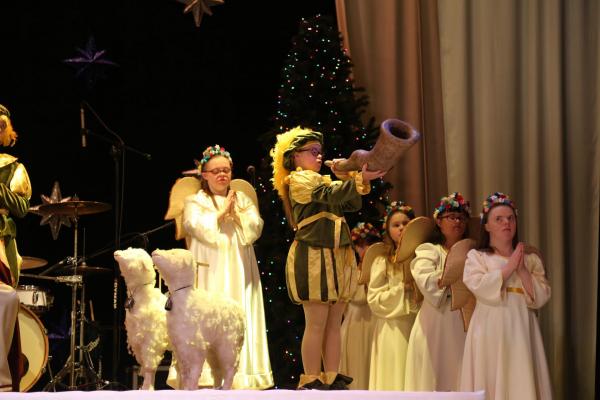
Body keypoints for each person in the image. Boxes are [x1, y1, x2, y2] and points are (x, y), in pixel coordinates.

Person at [270, 127, 385, 390]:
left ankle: (331, 375)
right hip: (313, 255)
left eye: (320, 152)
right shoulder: (299, 181)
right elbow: (331, 195)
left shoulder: (323, 181)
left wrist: (355, 177)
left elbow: (351, 203)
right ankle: (311, 377)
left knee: (335, 322)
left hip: (336, 255)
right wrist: (354, 179)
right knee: (317, 321)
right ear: (295, 157)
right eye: (312, 151)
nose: (319, 156)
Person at [167, 144, 273, 389]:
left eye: (226, 170)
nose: (222, 175)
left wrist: (238, 217)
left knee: (236, 313)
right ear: (204, 175)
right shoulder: (196, 201)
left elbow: (255, 226)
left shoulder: (242, 198)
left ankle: (239, 374)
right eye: (216, 171)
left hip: (238, 265)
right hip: (209, 268)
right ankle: (202, 376)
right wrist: (219, 215)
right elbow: (193, 225)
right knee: (207, 317)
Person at [460, 192, 552, 399]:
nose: (506, 223)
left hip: (521, 325)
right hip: (490, 327)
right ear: (487, 226)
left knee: (521, 375)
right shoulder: (477, 257)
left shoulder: (529, 260)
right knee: (491, 375)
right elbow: (477, 285)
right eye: (499, 219)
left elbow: (541, 297)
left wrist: (522, 271)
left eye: (510, 218)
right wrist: (508, 268)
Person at [404, 192, 470, 391]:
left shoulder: (472, 252)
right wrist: (451, 282)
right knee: (433, 374)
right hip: (435, 319)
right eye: (451, 217)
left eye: (461, 218)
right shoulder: (429, 250)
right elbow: (424, 277)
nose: (457, 221)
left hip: (462, 320)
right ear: (439, 222)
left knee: (460, 371)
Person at [367, 200, 420, 390]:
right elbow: (374, 300)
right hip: (392, 327)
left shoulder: (422, 257)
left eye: (405, 223)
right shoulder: (383, 262)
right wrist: (401, 289)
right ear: (388, 230)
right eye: (396, 225)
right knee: (394, 375)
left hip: (417, 323)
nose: (401, 228)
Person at [0, 104, 31, 392]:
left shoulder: (13, 167)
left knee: (4, 299)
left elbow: (21, 208)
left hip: (0, 242)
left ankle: (3, 380)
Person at [339, 222, 381, 389]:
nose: (364, 249)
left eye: (369, 244)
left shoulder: (380, 267)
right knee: (356, 366)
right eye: (360, 245)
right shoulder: (349, 269)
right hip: (354, 322)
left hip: (374, 319)